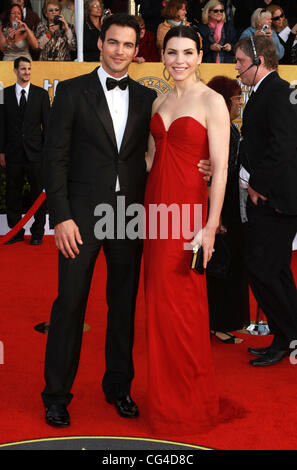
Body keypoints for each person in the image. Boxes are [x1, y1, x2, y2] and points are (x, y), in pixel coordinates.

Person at [41, 13, 157, 428]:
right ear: (100, 43)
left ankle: (118, 387)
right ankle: (56, 395)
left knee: (122, 307)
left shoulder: (146, 98)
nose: (120, 52)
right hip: (81, 220)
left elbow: (157, 154)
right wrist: (62, 219)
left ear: (136, 48)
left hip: (128, 219)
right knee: (69, 306)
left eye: (128, 45)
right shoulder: (71, 92)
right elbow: (54, 158)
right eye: (113, 43)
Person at [144, 25, 229, 434]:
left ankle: (190, 403)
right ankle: (163, 402)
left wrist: (211, 226)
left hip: (188, 213)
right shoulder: (159, 100)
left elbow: (222, 168)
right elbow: (150, 158)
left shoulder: (212, 101)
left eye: (188, 52)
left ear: (200, 56)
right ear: (163, 55)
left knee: (186, 308)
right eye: (172, 52)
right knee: (159, 306)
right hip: (155, 212)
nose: (179, 60)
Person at [235, 35, 297, 366]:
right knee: (274, 270)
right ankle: (287, 335)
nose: (237, 69)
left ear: (259, 61)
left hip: (277, 200)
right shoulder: (266, 93)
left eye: (241, 62)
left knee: (264, 269)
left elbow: (284, 146)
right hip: (270, 199)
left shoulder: (280, 91)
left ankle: (286, 335)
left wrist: (258, 184)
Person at [206, 75, 250, 344]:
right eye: (236, 98)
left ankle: (227, 320)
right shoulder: (217, 128)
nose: (239, 104)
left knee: (231, 262)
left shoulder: (230, 128)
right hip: (223, 203)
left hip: (233, 202)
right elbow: (213, 173)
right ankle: (217, 322)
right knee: (221, 264)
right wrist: (217, 213)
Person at [0, 57, 50, 245]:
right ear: (15, 71)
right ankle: (15, 232)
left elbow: (48, 126)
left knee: (39, 195)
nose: (27, 72)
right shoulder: (3, 94)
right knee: (13, 193)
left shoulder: (41, 95)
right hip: (13, 154)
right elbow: (1, 125)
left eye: (29, 69)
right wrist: (1, 151)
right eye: (23, 69)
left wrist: (46, 153)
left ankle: (38, 233)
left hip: (36, 154)